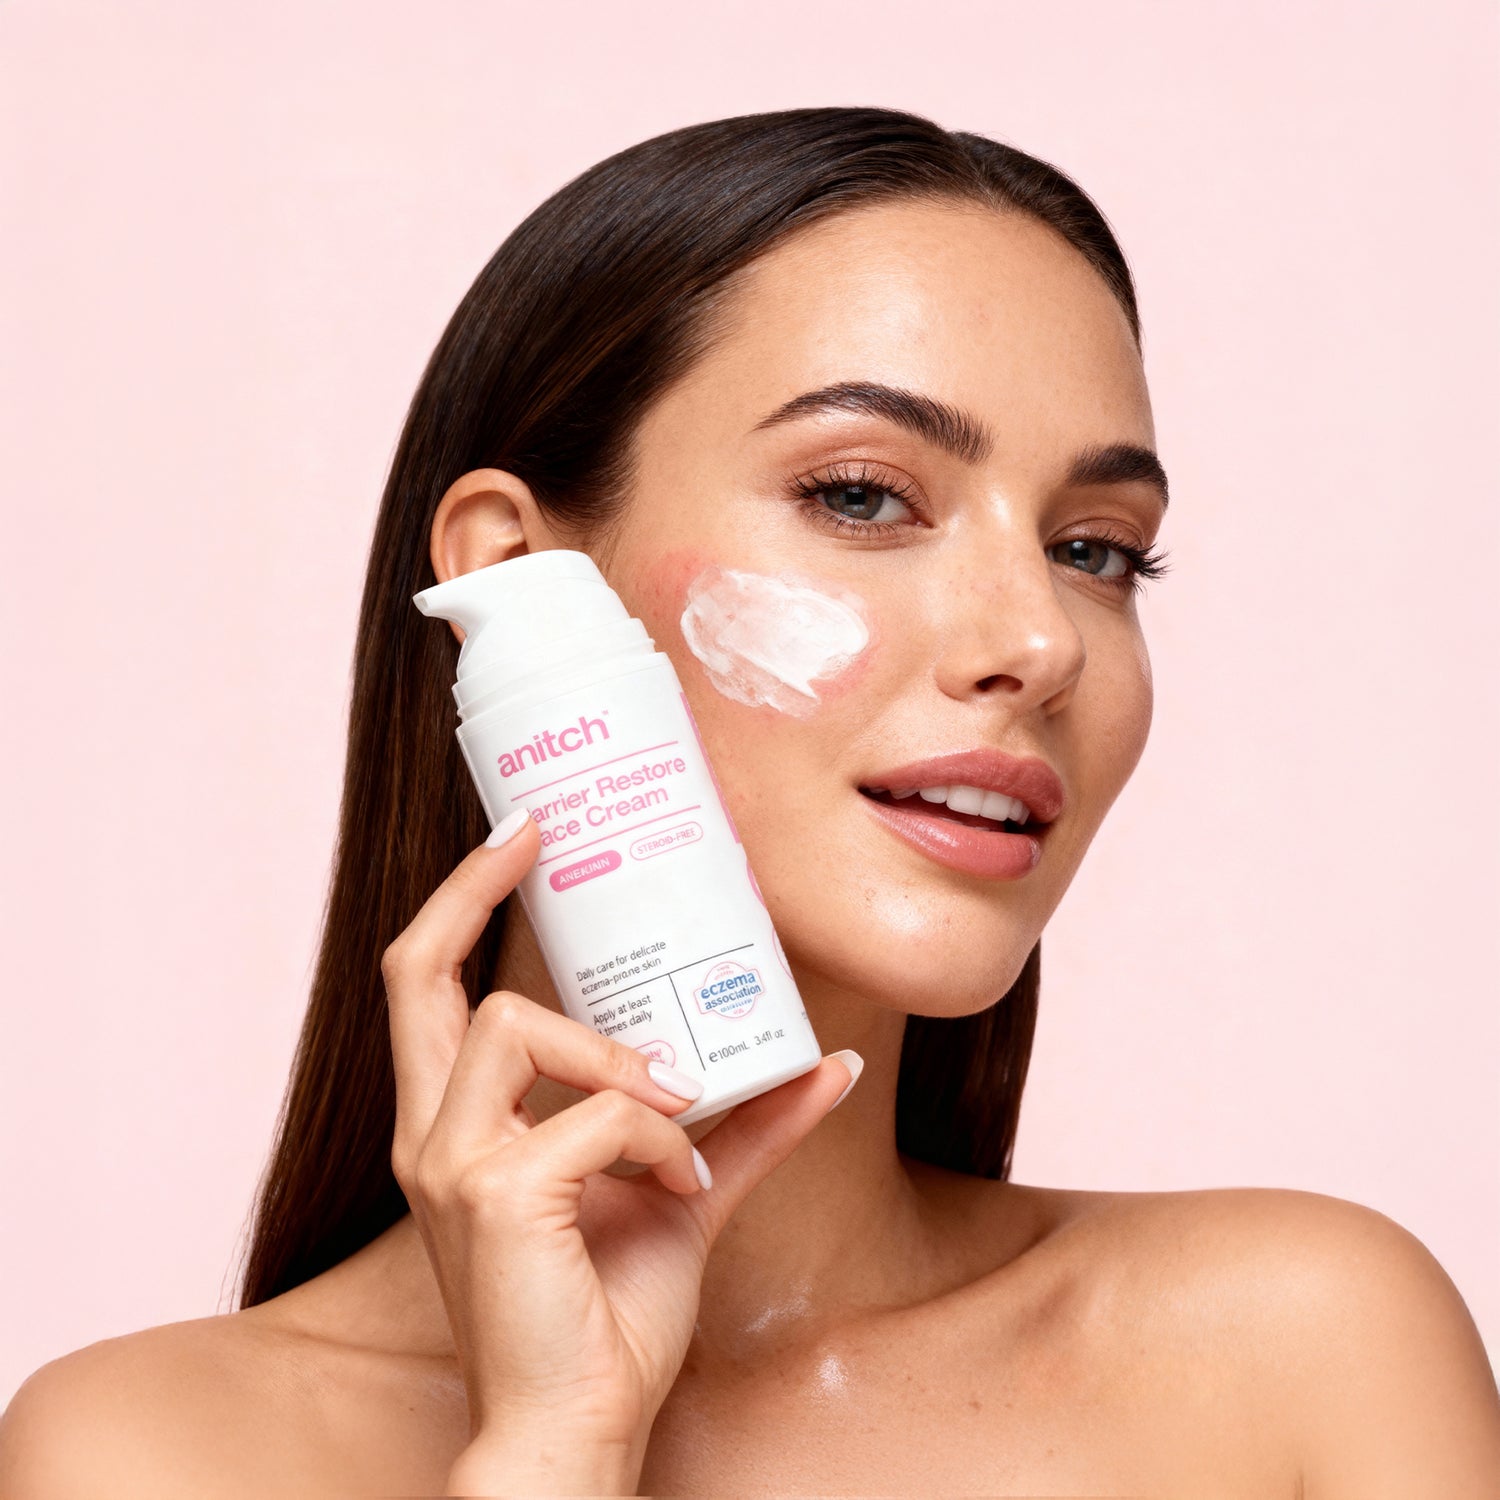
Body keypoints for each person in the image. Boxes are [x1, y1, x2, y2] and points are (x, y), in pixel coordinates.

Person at [2, 105, 1497, 1499]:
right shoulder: (145, 1454)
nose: (1042, 641)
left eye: (1096, 549)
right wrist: (552, 1449)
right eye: (861, 495)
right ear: (515, 576)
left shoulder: (1305, 1355)